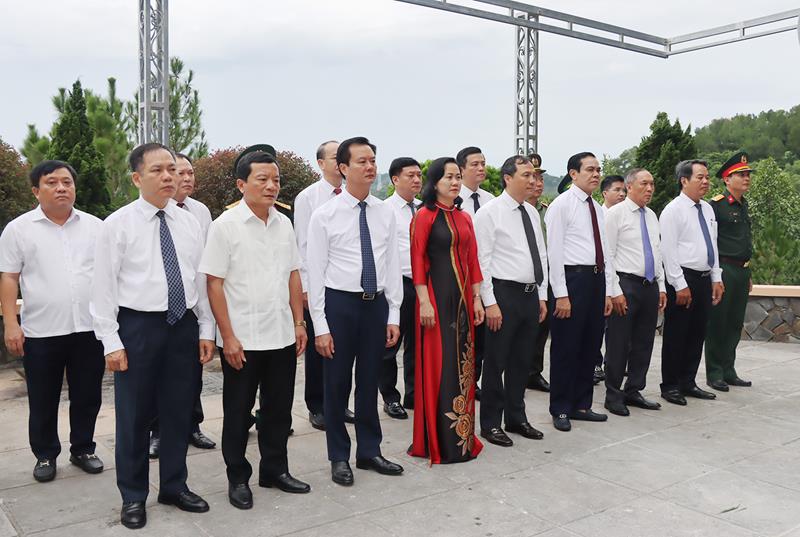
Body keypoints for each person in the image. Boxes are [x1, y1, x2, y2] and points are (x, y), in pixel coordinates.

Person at [92, 143, 216, 529]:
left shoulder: (189, 223)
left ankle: (175, 486)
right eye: (158, 170)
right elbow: (102, 288)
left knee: (178, 411)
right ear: (136, 178)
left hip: (182, 326)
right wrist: (111, 341)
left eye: (172, 170)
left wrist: (206, 328)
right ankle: (133, 495)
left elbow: (198, 280)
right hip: (138, 328)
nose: (168, 177)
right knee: (134, 415)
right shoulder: (117, 225)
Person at [201, 149, 310, 510]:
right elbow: (214, 284)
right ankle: (238, 478)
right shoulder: (225, 226)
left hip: (281, 334)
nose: (271, 186)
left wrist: (299, 323)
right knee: (238, 412)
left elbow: (293, 275)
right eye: (262, 179)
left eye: (275, 180)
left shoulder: (284, 224)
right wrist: (227, 337)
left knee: (278, 410)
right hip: (243, 339)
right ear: (241, 184)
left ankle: (275, 470)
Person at [307, 136, 404, 486]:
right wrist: (320, 325)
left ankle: (369, 451)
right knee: (336, 384)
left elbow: (392, 264)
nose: (370, 166)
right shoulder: (325, 215)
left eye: (373, 160)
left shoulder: (385, 212)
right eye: (362, 161)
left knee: (368, 380)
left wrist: (393, 313)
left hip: (375, 305)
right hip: (340, 305)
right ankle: (338, 456)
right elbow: (315, 272)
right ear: (343, 168)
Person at [0, 160, 105, 483]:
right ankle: (45, 454)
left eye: (67, 182)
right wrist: (11, 323)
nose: (61, 188)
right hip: (41, 330)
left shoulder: (95, 227)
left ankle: (83, 449)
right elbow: (9, 277)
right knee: (43, 397)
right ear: (36, 190)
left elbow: (108, 276)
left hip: (88, 329)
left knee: (88, 395)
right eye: (52, 182)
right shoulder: (18, 229)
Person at [408, 157, 484, 463]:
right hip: (436, 300)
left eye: (457, 177)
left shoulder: (464, 217)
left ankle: (462, 440)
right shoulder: (424, 216)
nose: (454, 182)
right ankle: (437, 442)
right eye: (448, 177)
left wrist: (477, 298)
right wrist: (424, 301)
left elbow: (473, 259)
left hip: (463, 301)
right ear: (435, 182)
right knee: (440, 365)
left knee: (463, 366)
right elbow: (417, 260)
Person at [475, 155, 548, 446]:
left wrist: (542, 295)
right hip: (503, 295)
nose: (532, 180)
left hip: (530, 295)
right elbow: (482, 261)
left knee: (522, 360)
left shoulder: (531, 212)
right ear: (508, 178)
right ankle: (491, 423)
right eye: (526, 175)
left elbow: (540, 254)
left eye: (534, 175)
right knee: (496, 361)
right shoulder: (489, 213)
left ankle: (516, 417)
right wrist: (490, 302)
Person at [150, 152, 215, 458]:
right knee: (158, 377)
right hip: (156, 310)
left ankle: (193, 425)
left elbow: (206, 260)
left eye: (191, 173)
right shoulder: (148, 214)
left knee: (192, 373)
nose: (187, 178)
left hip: (191, 304)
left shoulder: (199, 212)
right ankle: (158, 431)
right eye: (181, 172)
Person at [545, 152, 613, 432]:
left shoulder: (597, 207)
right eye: (589, 169)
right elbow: (554, 253)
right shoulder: (561, 206)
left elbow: (605, 250)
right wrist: (561, 294)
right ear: (573, 174)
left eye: (598, 169)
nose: (596, 174)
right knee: (566, 347)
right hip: (572, 281)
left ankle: (582, 404)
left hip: (596, 280)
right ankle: (561, 407)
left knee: (590, 344)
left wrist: (608, 290)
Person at [293, 140, 355, 430]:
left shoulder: (352, 195)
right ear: (320, 163)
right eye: (333, 157)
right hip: (319, 285)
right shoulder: (308, 198)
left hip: (345, 286)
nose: (339, 161)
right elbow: (303, 246)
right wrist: (306, 288)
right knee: (319, 348)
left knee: (343, 348)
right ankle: (317, 406)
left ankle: (340, 403)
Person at [659, 159, 724, 406]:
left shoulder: (707, 209)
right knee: (677, 334)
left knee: (697, 333)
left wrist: (716, 277)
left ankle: (688, 381)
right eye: (700, 177)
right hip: (683, 279)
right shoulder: (673, 210)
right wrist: (679, 284)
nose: (706, 181)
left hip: (704, 278)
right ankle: (670, 386)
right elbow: (668, 251)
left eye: (707, 177)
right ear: (684, 180)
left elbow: (712, 245)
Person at [603, 169, 666, 416]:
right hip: (625, 285)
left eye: (652, 184)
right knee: (619, 342)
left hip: (649, 285)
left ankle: (634, 389)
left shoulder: (651, 215)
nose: (650, 189)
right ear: (629, 186)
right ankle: (613, 394)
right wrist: (614, 290)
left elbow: (657, 252)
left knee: (644, 342)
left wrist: (661, 286)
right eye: (644, 184)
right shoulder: (615, 214)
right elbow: (608, 255)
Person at [705, 152, 754, 391]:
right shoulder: (716, 205)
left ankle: (728, 370)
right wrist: (715, 274)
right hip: (724, 269)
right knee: (718, 323)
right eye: (740, 175)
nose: (746, 178)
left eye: (747, 174)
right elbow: (711, 242)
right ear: (726, 179)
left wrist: (748, 272)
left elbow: (744, 241)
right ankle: (715, 372)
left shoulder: (744, 205)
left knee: (734, 323)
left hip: (741, 270)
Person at [379, 157, 422, 419]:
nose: (416, 180)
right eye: (410, 175)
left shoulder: (424, 208)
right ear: (395, 179)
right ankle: (390, 397)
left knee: (418, 345)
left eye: (419, 175)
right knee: (390, 345)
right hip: (397, 284)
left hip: (423, 286)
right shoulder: (385, 210)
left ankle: (414, 394)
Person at [456, 146, 494, 399]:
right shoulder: (453, 199)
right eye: (475, 164)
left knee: (481, 336)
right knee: (460, 335)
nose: (481, 168)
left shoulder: (490, 200)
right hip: (459, 275)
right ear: (461, 169)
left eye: (483, 163)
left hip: (484, 275)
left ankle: (474, 381)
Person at [593, 174, 627, 383]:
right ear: (605, 193)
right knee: (598, 325)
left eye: (624, 190)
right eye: (617, 190)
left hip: (618, 279)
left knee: (614, 327)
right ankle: (595, 363)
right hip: (600, 277)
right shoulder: (599, 215)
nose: (622, 194)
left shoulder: (626, 215)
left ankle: (612, 363)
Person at [525, 153, 551, 393]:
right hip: (521, 278)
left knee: (541, 327)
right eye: (533, 177)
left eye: (541, 178)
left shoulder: (546, 211)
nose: (538, 183)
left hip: (545, 277)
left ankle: (534, 372)